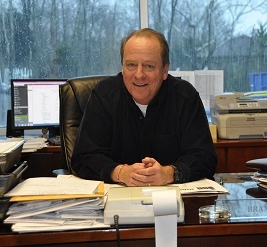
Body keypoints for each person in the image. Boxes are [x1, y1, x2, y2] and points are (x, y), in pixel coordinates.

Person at [71, 28, 217, 186]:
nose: (139, 75)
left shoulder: (185, 98)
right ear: (122, 67)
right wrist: (120, 172)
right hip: (116, 202)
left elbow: (205, 157)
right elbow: (83, 158)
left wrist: (169, 173)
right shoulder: (103, 96)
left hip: (173, 201)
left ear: (165, 70)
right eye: (131, 65)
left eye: (148, 66)